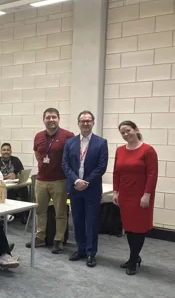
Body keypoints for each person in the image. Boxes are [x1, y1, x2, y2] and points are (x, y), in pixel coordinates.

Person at [62, 111, 108, 268]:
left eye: (88, 121)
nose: (85, 123)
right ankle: (80, 249)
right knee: (77, 220)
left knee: (92, 222)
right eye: (83, 121)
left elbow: (102, 166)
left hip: (92, 189)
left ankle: (90, 253)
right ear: (78, 123)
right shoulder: (70, 143)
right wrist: (76, 180)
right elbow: (65, 164)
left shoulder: (101, 143)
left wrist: (86, 182)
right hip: (75, 188)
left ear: (93, 123)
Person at [26, 108, 74, 254]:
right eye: (48, 117)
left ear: (59, 119)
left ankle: (59, 240)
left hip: (60, 180)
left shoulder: (68, 135)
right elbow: (37, 153)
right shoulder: (38, 136)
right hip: (41, 180)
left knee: (60, 212)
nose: (51, 120)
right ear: (44, 120)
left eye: (54, 117)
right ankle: (40, 237)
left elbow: (72, 157)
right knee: (40, 211)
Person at [113, 121, 158, 275]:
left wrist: (147, 194)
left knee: (138, 228)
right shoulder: (120, 150)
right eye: (122, 133)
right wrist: (115, 192)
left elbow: (152, 175)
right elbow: (116, 173)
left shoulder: (148, 150)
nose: (126, 134)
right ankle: (135, 256)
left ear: (136, 129)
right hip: (125, 195)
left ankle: (133, 260)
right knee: (129, 228)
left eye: (128, 131)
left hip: (141, 195)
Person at [0, 143, 30, 222]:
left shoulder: (16, 160)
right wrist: (6, 177)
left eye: (8, 150)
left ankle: (24, 214)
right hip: (2, 186)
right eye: (4, 150)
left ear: (11, 151)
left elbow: (22, 173)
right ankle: (9, 215)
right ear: (1, 151)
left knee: (24, 189)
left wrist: (16, 176)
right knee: (9, 193)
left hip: (15, 184)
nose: (6, 152)